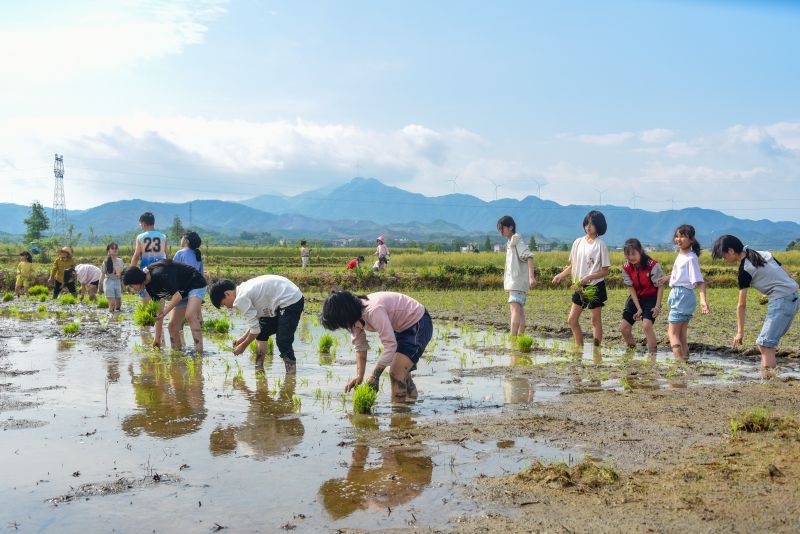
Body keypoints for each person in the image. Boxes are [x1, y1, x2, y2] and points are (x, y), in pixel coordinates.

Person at [320, 290, 433, 401]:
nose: (342, 326)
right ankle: (410, 412)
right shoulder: (352, 319)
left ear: (344, 314)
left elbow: (390, 344)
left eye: (340, 323)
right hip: (400, 328)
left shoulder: (373, 310)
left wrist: (375, 375)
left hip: (417, 321)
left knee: (396, 372)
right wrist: (360, 376)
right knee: (402, 375)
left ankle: (399, 416)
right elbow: (360, 346)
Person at [712, 234, 798, 370]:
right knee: (768, 344)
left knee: (765, 344)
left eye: (723, 256)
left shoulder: (744, 269)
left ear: (731, 251)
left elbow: (741, 305)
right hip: (792, 298)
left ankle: (769, 382)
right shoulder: (762, 253)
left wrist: (740, 332)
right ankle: (769, 377)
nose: (723, 260)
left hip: (781, 301)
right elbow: (786, 275)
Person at [209, 275, 304, 374]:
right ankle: (259, 368)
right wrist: (242, 338)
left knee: (283, 340)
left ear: (227, 294)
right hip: (282, 297)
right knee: (262, 332)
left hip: (291, 299)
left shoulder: (240, 299)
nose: (227, 307)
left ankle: (291, 374)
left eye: (224, 304)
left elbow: (255, 330)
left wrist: (243, 346)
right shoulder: (242, 289)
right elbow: (255, 322)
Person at [551, 210, 611, 350]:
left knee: (595, 320)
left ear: (599, 226)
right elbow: (573, 266)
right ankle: (580, 347)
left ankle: (596, 350)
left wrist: (589, 277)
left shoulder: (600, 245)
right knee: (572, 320)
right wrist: (560, 275)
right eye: (587, 223)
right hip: (579, 286)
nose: (588, 227)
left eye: (592, 224)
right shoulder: (577, 242)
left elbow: (605, 271)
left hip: (595, 286)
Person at [123, 260, 207, 353]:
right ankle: (177, 355)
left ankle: (199, 355)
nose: (132, 288)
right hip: (181, 292)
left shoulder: (159, 274)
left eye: (131, 285)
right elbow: (159, 312)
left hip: (195, 283)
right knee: (172, 326)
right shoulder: (149, 287)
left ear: (136, 279)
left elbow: (177, 296)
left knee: (190, 315)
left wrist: (165, 312)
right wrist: (157, 339)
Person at [658, 224, 710, 363]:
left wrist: (703, 301)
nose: (678, 239)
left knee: (672, 333)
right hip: (683, 295)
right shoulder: (682, 255)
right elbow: (681, 275)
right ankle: (685, 361)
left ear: (691, 239)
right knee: (681, 335)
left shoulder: (691, 258)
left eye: (682, 236)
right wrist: (668, 277)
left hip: (681, 295)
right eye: (677, 236)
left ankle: (679, 362)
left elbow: (699, 281)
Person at [619, 238, 665, 359]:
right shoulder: (626, 267)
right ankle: (631, 352)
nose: (630, 257)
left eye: (633, 254)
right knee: (624, 328)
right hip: (636, 298)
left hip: (651, 297)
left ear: (640, 251)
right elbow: (631, 289)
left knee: (646, 326)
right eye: (627, 255)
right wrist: (638, 308)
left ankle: (652, 356)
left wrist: (657, 306)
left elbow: (660, 286)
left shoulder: (652, 265)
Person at [497, 215, 536, 337]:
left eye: (502, 228)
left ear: (511, 227)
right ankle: (520, 338)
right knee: (519, 311)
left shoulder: (517, 239)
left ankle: (513, 338)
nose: (500, 231)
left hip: (517, 282)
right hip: (515, 282)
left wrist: (531, 277)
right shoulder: (511, 242)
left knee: (515, 310)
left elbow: (529, 256)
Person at [172, 231, 205, 347]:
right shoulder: (197, 255)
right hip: (196, 290)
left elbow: (174, 274)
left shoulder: (180, 253)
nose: (180, 240)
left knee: (176, 322)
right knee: (192, 318)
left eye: (182, 238)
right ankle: (199, 350)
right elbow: (201, 276)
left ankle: (179, 348)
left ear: (186, 241)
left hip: (183, 290)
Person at [130, 212, 168, 302]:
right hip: (160, 271)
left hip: (145, 271)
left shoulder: (140, 237)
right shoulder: (163, 237)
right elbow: (166, 255)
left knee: (145, 296)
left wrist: (131, 271)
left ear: (143, 223)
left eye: (140, 224)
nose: (140, 226)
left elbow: (136, 256)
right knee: (160, 295)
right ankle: (160, 315)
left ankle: (147, 315)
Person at [98, 242, 125, 312]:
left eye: (116, 248)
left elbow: (122, 273)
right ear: (108, 251)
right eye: (112, 248)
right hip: (109, 282)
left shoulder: (120, 261)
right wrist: (100, 285)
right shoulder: (106, 262)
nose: (114, 250)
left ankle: (117, 318)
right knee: (112, 303)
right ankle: (111, 320)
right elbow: (103, 274)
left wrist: (123, 284)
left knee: (119, 303)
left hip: (117, 281)